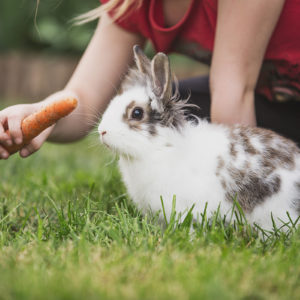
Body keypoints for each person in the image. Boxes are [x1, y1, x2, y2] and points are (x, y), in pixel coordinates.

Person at [0, 0, 300, 160]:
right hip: (277, 105)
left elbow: (232, 94)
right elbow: (84, 96)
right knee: (174, 110)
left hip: (257, 102)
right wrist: (40, 114)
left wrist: (228, 203)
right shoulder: (133, 3)